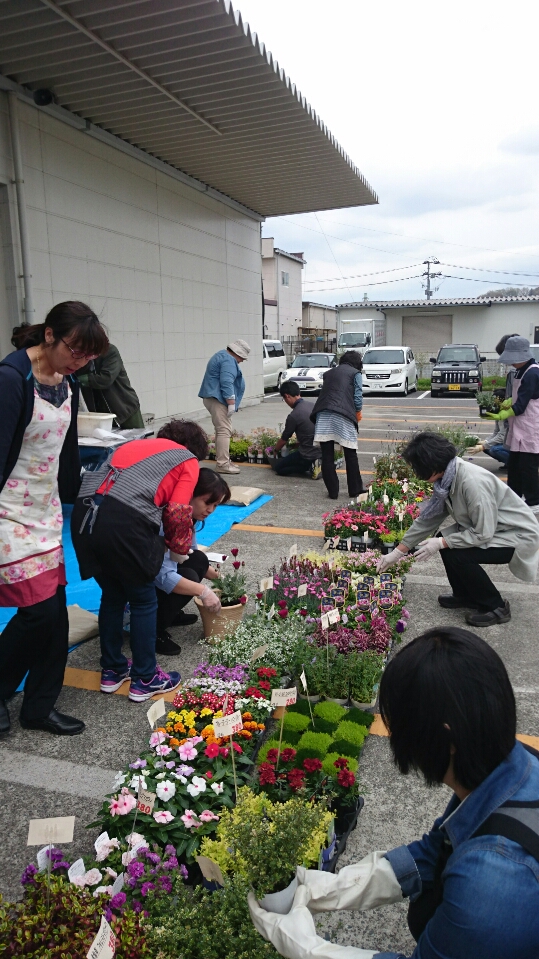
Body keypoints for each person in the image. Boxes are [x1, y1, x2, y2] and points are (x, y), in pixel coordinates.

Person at [249, 626, 539, 959]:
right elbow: (438, 850)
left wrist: (309, 949)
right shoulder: (511, 763)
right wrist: (335, 887)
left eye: (402, 727)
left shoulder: (491, 884)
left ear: (446, 740)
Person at [0, 302, 109, 736]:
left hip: (44, 512)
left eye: (88, 357)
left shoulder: (68, 383)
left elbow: (66, 450)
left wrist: (78, 499)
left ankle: (39, 707)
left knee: (56, 617)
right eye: (75, 351)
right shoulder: (11, 380)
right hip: (7, 511)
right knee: (38, 614)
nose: (79, 361)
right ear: (49, 336)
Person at [71, 419, 220, 702]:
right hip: (126, 523)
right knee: (143, 600)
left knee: (113, 596)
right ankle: (145, 678)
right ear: (192, 450)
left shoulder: (130, 446)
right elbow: (178, 511)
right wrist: (178, 549)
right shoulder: (184, 458)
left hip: (84, 520)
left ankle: (113, 670)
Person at [377, 431, 539, 627]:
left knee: (458, 553)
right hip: (495, 528)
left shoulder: (472, 483)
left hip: (516, 535)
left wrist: (443, 543)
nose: (415, 473)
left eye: (416, 468)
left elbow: (483, 533)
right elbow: (428, 520)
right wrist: (397, 552)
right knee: (444, 540)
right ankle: (466, 595)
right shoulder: (446, 479)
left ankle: (495, 607)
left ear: (431, 465)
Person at [154, 469, 230, 654]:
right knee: (189, 576)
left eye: (216, 505)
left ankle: (169, 615)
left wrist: (223, 581)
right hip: (144, 583)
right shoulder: (165, 522)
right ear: (190, 494)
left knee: (198, 560)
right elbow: (162, 576)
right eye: (207, 503)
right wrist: (203, 591)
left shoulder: (188, 518)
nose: (211, 510)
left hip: (161, 574)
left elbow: (193, 554)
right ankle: (152, 631)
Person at [485, 335, 539, 521]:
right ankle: (513, 499)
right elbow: (517, 398)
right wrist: (506, 403)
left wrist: (502, 413)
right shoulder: (521, 371)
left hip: (531, 426)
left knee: (528, 466)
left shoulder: (532, 373)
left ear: (520, 355)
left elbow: (521, 405)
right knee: (515, 465)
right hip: (520, 426)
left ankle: (533, 502)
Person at [309, 350, 364, 501]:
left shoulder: (329, 373)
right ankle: (355, 489)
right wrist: (357, 412)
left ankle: (333, 492)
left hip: (323, 414)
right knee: (350, 453)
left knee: (327, 455)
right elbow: (357, 398)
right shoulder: (355, 374)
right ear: (357, 363)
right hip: (343, 414)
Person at [198, 339, 250, 475]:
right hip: (218, 400)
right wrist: (231, 403)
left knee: (221, 430)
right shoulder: (228, 360)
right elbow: (226, 382)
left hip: (212, 398)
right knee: (223, 430)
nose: (242, 361)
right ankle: (223, 464)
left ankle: (224, 460)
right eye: (242, 358)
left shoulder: (221, 355)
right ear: (237, 353)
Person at [77, 343, 144, 429]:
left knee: (137, 440)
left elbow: (106, 378)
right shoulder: (79, 354)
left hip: (124, 407)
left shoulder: (109, 350)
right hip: (100, 413)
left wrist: (79, 380)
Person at [271, 381, 321, 478]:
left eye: (284, 400)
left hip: (307, 454)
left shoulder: (294, 415)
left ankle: (310, 467)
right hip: (322, 450)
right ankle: (319, 464)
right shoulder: (313, 406)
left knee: (279, 468)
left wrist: (275, 450)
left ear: (287, 396)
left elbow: (284, 439)